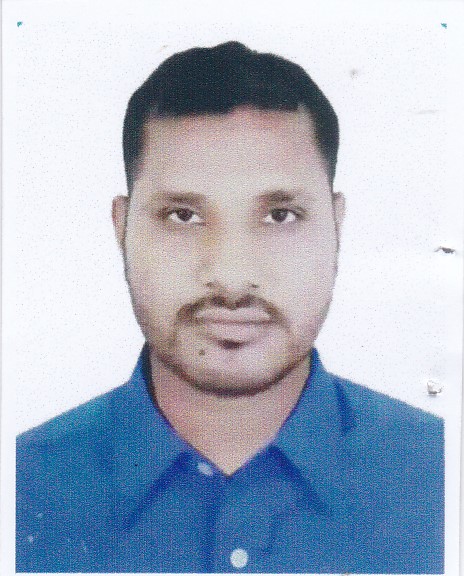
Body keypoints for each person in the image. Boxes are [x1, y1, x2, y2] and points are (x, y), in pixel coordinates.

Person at [16, 41, 444, 574]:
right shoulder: (22, 486)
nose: (233, 280)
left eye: (280, 216)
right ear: (122, 228)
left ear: (336, 225)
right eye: (183, 216)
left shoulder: (440, 475)